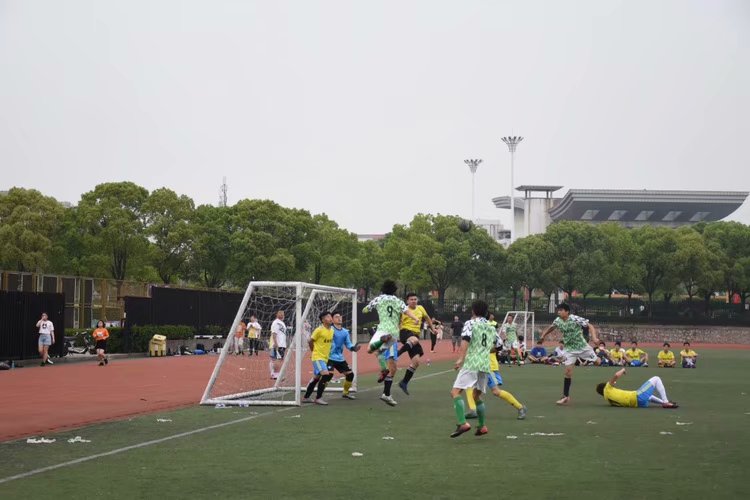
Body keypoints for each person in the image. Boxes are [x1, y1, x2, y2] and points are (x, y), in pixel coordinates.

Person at [364, 280, 418, 406]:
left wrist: (368, 308)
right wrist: (415, 318)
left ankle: (385, 383)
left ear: (382, 289)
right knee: (390, 365)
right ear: (394, 290)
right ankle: (386, 392)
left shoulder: (378, 299)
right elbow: (407, 311)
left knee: (371, 350)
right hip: (393, 333)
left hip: (382, 330)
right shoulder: (398, 301)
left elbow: (365, 310)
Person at [449, 300, 497, 438]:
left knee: (455, 392)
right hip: (485, 364)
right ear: (486, 312)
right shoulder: (491, 327)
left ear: (473, 311)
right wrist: (483, 350)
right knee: (476, 395)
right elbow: (497, 346)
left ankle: (462, 423)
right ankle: (482, 426)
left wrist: (460, 358)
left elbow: (465, 340)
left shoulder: (470, 323)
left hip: (472, 363)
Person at [538, 303, 601, 405]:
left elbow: (590, 325)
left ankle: (598, 356)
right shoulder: (558, 320)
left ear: (567, 312)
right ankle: (565, 396)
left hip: (582, 347)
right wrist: (543, 335)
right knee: (568, 372)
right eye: (558, 310)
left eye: (561, 310)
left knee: (598, 362)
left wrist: (594, 338)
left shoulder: (574, 318)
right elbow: (552, 327)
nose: (559, 312)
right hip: (569, 349)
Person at [465, 335, 527, 420]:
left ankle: (520, 407)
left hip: (489, 368)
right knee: (470, 387)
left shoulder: (491, 334)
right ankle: (473, 410)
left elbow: (498, 347)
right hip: (479, 367)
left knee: (496, 391)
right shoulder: (478, 334)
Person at [397, 293, 435, 395]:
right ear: (407, 301)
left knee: (416, 361)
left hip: (415, 335)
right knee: (414, 340)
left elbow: (427, 318)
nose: (414, 301)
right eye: (411, 299)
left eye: (415, 299)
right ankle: (398, 353)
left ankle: (404, 382)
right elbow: (397, 320)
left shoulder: (420, 308)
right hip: (405, 332)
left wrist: (433, 328)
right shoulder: (404, 309)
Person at [596, 368, 679, 408]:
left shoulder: (607, 398)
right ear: (604, 387)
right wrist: (623, 370)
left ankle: (663, 403)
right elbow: (616, 375)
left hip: (639, 404)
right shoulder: (607, 388)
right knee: (656, 378)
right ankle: (666, 401)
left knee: (648, 396)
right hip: (637, 396)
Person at [302, 312, 335, 405]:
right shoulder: (319, 330)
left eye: (330, 316)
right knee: (326, 375)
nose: (330, 318)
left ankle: (306, 397)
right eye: (327, 317)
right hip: (318, 357)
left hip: (325, 358)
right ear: (323, 320)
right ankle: (318, 398)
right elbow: (310, 341)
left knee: (316, 378)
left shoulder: (332, 330)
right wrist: (313, 351)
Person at [328, 311, 361, 400]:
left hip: (339, 358)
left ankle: (345, 393)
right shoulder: (329, 329)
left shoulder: (345, 332)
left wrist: (353, 348)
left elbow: (348, 343)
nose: (339, 318)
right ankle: (318, 395)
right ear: (332, 320)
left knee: (350, 375)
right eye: (336, 317)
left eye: (340, 316)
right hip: (328, 357)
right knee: (328, 375)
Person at [269, 310, 287, 379]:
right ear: (276, 314)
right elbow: (274, 333)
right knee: (277, 360)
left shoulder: (282, 323)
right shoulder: (276, 322)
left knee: (277, 359)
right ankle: (276, 375)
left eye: (283, 313)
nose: (282, 314)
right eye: (280, 313)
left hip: (282, 344)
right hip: (278, 344)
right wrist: (276, 343)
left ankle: (273, 374)